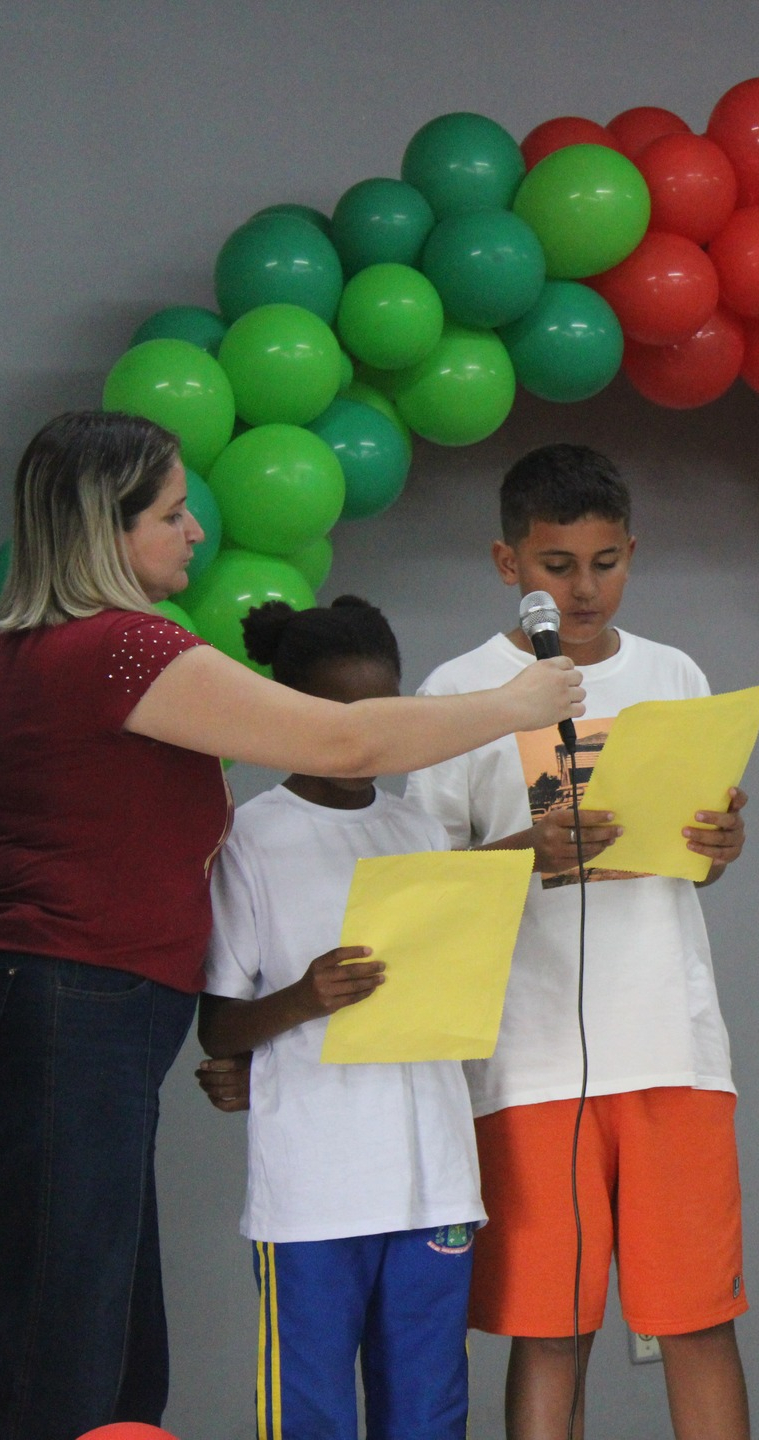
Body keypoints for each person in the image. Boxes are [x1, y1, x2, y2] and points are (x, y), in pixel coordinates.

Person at [0, 411, 582, 1440]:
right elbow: (344, 738)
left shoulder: (44, 653)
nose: (194, 534)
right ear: (107, 528)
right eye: (174, 515)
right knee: (73, 1328)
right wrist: (516, 700)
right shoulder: (118, 647)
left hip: (100, 1009)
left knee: (104, 1316)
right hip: (79, 1002)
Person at [404, 444, 751, 1440]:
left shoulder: (674, 673)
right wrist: (530, 851)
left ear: (632, 553)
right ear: (508, 564)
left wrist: (720, 844)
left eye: (605, 561)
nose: (584, 586)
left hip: (672, 1048)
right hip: (530, 1057)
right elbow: (422, 896)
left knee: (699, 1320)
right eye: (558, 565)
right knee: (549, 1332)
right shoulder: (456, 690)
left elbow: (696, 861)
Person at [198, 597, 483, 1440]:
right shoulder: (251, 837)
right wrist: (303, 997)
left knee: (429, 1410)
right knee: (311, 1411)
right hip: (313, 1193)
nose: (364, 739)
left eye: (381, 712)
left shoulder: (419, 830)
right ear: (292, 711)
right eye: (338, 714)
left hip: (434, 1178)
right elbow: (218, 1029)